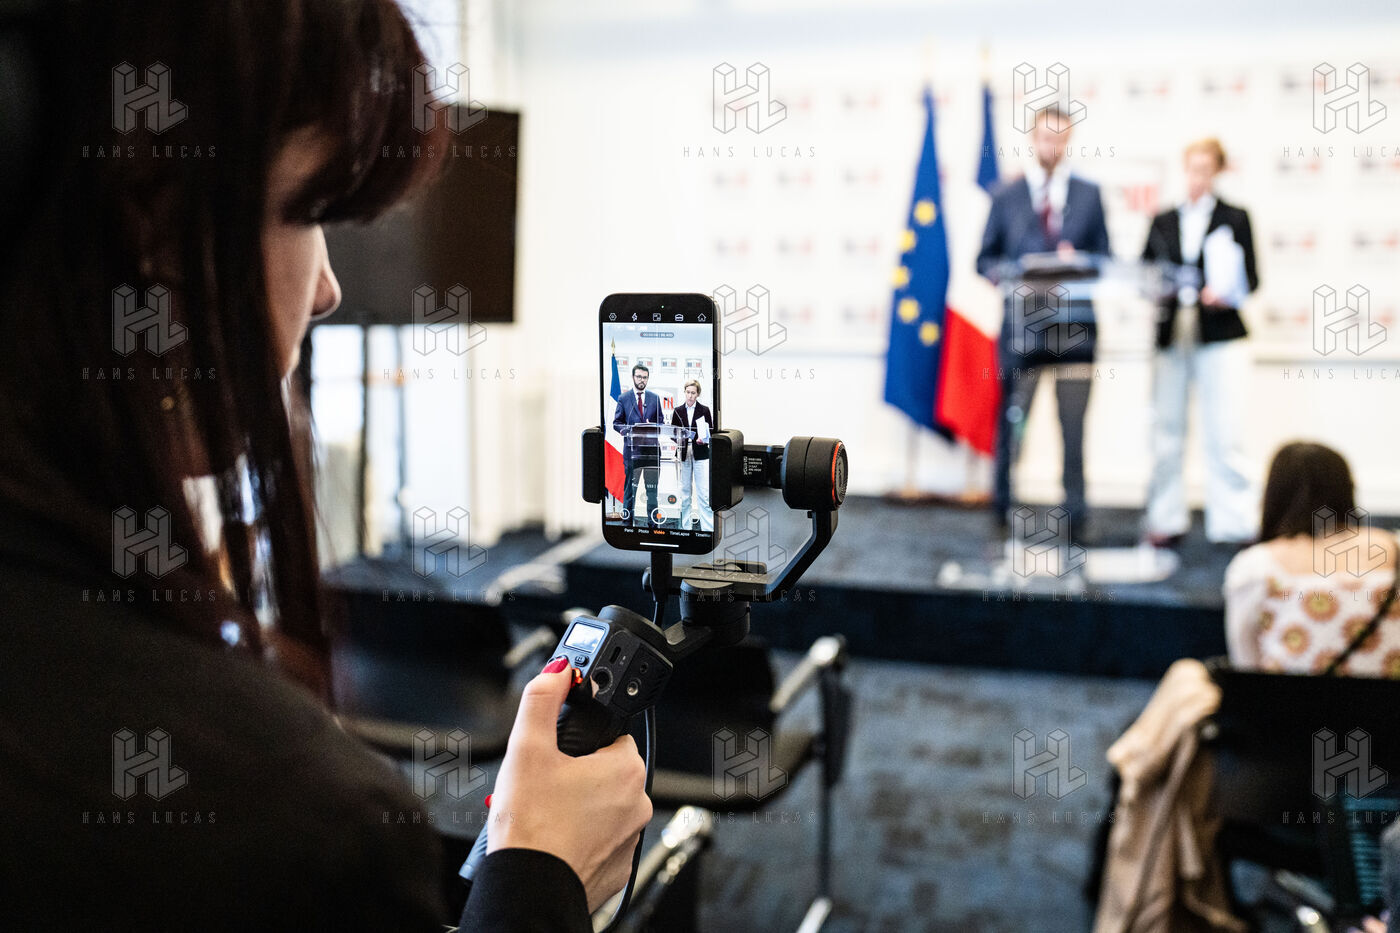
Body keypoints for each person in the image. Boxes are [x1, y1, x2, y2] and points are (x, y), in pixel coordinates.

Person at [0, 1, 650, 928]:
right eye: (310, 212)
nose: (330, 287)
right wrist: (539, 880)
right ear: (151, 229)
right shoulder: (294, 830)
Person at [977, 104, 1111, 544]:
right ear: (1033, 139)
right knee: (1013, 426)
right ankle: (1002, 511)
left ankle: (1076, 516)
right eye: (1046, 137)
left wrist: (1080, 263)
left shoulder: (1089, 194)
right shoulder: (1006, 195)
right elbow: (984, 259)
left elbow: (1105, 259)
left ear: (1069, 141)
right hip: (1023, 330)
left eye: (1060, 138)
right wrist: (1011, 274)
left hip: (1075, 333)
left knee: (1074, 428)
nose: (1052, 146)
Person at [1141, 137, 1260, 547]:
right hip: (1173, 333)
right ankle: (1165, 519)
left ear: (1218, 172)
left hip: (1219, 333)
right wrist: (1160, 288)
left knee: (1226, 431)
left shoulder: (1235, 218)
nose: (1197, 177)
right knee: (1166, 429)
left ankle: (1234, 521)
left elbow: (1252, 278)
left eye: (1206, 169)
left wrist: (1224, 293)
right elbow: (1145, 272)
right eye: (1192, 168)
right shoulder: (1163, 220)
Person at [1223, 443, 1400, 676]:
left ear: (1274, 494)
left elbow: (1246, 663)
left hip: (1290, 699)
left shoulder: (1256, 566)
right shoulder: (1394, 548)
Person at [612, 363, 662, 527]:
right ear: (633, 377)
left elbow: (661, 422)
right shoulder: (624, 398)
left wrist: (652, 425)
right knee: (630, 490)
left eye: (645, 377)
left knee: (652, 491)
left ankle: (653, 524)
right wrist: (628, 430)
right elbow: (616, 423)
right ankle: (627, 523)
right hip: (632, 452)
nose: (642, 380)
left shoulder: (654, 398)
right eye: (639, 377)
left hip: (651, 453)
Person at [670, 378, 713, 532]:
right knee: (685, 493)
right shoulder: (677, 411)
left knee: (704, 494)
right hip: (683, 451)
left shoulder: (705, 410)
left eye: (693, 393)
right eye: (688, 392)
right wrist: (679, 438)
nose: (690, 396)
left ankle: (708, 529)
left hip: (701, 452)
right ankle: (685, 528)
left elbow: (710, 432)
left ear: (698, 394)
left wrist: (704, 439)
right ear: (684, 392)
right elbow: (672, 432)